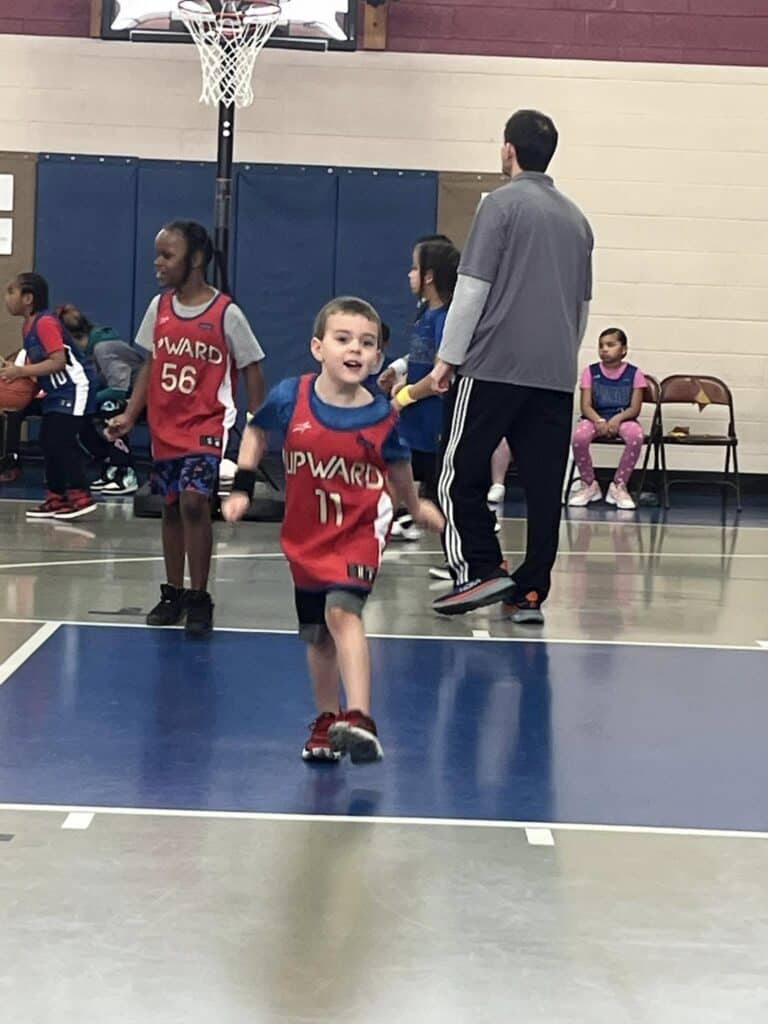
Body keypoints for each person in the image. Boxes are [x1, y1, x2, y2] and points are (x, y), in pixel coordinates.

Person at [223, 296, 443, 764]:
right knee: (317, 635)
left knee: (342, 614)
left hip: (359, 531)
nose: (356, 350)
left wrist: (413, 504)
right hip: (305, 538)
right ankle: (328, 719)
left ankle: (360, 716)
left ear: (379, 358)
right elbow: (257, 432)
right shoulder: (291, 396)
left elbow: (399, 465)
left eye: (367, 344)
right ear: (318, 347)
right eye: (344, 339)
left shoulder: (381, 415)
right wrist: (243, 485)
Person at [420, 109, 594, 624]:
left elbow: (472, 288)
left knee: (454, 476)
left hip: (493, 365)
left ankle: (482, 568)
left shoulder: (498, 205)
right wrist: (562, 356)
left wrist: (446, 361)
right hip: (556, 372)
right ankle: (531, 594)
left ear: (508, 150)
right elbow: (581, 308)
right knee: (543, 488)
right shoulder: (578, 220)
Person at [107, 220, 265, 638]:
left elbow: (251, 366)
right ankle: (173, 591)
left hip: (207, 425)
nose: (158, 263)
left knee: (197, 502)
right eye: (157, 254)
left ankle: (200, 596)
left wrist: (256, 419)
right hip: (166, 425)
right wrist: (129, 414)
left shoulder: (225, 312)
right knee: (173, 507)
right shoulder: (159, 308)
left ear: (195, 260)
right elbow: (150, 364)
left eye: (167, 255)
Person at [379, 237, 459, 542]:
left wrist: (402, 397)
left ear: (429, 275)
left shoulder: (447, 318)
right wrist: (399, 370)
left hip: (433, 420)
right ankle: (384, 528)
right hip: (414, 419)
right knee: (396, 473)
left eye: (414, 268)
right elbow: (422, 356)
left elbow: (441, 377)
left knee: (441, 489)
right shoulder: (426, 312)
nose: (409, 275)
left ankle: (461, 548)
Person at [1, 273, 97, 519]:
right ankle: (56, 497)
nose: (6, 297)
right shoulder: (28, 326)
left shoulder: (45, 323)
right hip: (56, 391)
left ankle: (81, 495)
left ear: (28, 298)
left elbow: (58, 361)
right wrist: (15, 379)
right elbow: (39, 367)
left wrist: (20, 371)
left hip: (76, 387)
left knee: (61, 441)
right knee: (47, 441)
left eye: (11, 292)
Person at [56, 303, 141, 495]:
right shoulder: (88, 353)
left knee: (109, 406)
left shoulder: (104, 348)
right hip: (126, 397)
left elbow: (118, 390)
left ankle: (124, 471)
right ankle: (109, 464)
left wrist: (87, 398)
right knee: (82, 413)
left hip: (142, 398)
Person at [568, 327, 647, 511]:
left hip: (624, 417)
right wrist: (600, 421)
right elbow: (586, 406)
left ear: (624, 349)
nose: (604, 349)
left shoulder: (635, 373)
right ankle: (589, 484)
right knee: (579, 437)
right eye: (601, 345)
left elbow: (635, 408)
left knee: (636, 436)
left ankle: (619, 485)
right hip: (596, 417)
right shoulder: (590, 371)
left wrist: (617, 419)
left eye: (611, 345)